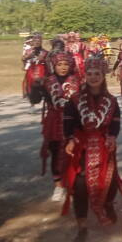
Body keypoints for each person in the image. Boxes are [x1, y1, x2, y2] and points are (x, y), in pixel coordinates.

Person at [61, 56, 122, 242]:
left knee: (110, 181)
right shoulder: (75, 100)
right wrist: (70, 139)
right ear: (85, 76)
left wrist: (112, 136)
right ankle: (82, 225)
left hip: (104, 146)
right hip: (82, 146)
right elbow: (68, 122)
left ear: (103, 75)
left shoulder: (111, 101)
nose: (93, 77)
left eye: (97, 73)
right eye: (89, 73)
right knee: (80, 185)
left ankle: (108, 203)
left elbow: (115, 122)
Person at [41, 52, 79, 201]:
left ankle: (72, 184)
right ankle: (58, 186)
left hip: (73, 121)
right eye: (59, 64)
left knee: (74, 152)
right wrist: (35, 88)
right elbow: (35, 99)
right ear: (54, 66)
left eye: (66, 64)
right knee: (55, 151)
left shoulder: (77, 80)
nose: (63, 67)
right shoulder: (47, 81)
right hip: (54, 121)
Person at [21, 34, 48, 106]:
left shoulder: (45, 52)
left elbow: (48, 61)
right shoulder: (29, 51)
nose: (37, 42)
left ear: (41, 41)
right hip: (32, 69)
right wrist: (27, 58)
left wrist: (43, 60)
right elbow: (23, 59)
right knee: (29, 82)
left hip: (41, 69)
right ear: (32, 41)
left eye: (39, 40)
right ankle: (31, 99)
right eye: (35, 40)